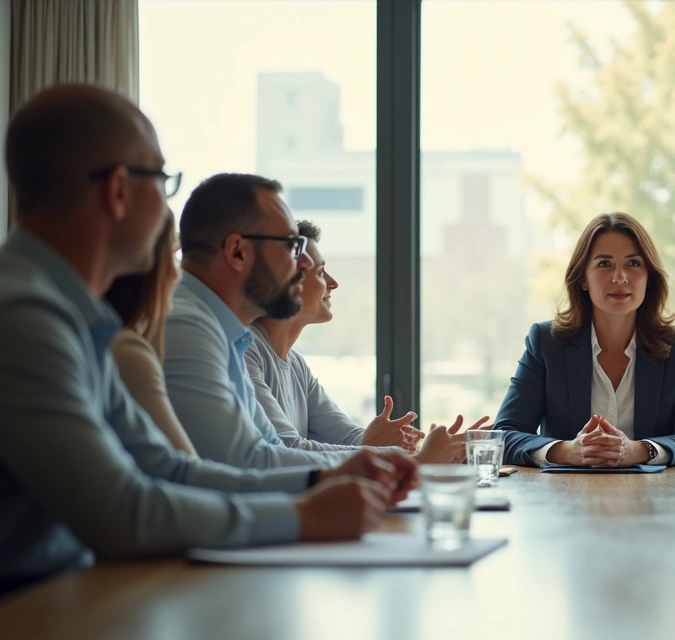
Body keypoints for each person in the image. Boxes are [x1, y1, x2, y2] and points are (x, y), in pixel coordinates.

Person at [0, 84, 416, 596]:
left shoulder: (71, 316)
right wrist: (302, 514)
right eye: (161, 179)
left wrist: (317, 484)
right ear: (118, 190)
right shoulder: (24, 316)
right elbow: (123, 510)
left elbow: (168, 469)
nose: (170, 218)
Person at [246, 220, 485, 461]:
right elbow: (286, 449)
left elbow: (352, 440)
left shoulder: (296, 366)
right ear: (284, 282)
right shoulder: (246, 352)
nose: (333, 283)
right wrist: (413, 459)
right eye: (320, 273)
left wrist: (429, 451)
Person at [166, 173, 357, 468]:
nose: (302, 263)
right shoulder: (185, 329)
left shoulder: (230, 336)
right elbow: (250, 463)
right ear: (237, 252)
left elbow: (270, 450)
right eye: (290, 245)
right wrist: (400, 461)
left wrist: (401, 459)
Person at [495, 212, 675, 467]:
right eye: (604, 264)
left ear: (649, 278)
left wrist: (639, 451)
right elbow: (505, 435)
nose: (620, 277)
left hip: (656, 501)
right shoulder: (546, 344)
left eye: (633, 264)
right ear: (583, 279)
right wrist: (568, 451)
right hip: (563, 500)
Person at [104, 216, 196, 455]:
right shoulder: (127, 351)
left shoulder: (121, 345)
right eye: (172, 258)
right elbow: (181, 468)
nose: (178, 274)